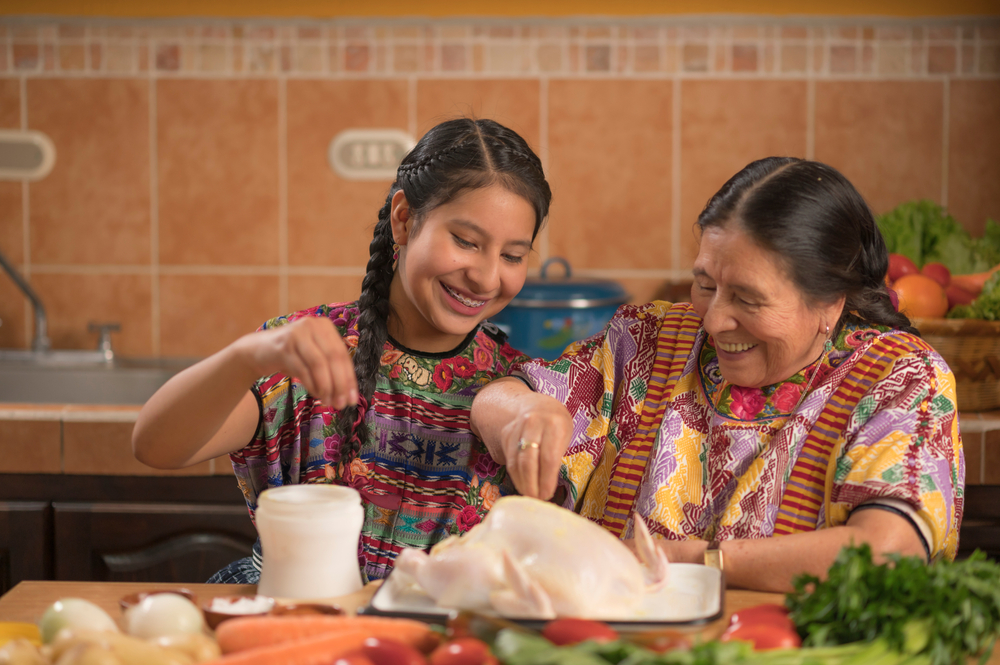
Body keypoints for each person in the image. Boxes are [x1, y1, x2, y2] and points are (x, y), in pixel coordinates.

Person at [471, 157, 964, 593]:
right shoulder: (647, 339)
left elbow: (887, 554)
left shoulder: (901, 379)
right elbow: (497, 397)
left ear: (829, 301)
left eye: (748, 299)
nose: (713, 320)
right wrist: (523, 410)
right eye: (705, 284)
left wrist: (693, 562)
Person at [132, 118, 552, 583]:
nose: (488, 278)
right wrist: (247, 356)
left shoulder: (519, 388)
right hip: (288, 618)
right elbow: (155, 446)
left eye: (513, 256)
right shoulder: (309, 351)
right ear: (405, 219)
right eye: (466, 242)